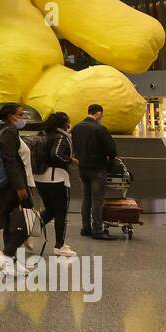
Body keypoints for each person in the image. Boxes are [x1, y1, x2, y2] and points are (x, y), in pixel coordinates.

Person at [0, 102, 35, 274]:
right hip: (12, 187)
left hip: (12, 185)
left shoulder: (10, 132)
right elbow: (10, 162)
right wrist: (20, 187)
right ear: (11, 117)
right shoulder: (9, 133)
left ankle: (11, 262)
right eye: (20, 114)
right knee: (28, 221)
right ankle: (6, 254)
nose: (24, 118)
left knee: (11, 223)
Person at [71, 103, 118, 241]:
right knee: (97, 200)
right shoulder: (100, 128)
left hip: (82, 167)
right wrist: (111, 158)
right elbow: (111, 149)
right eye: (101, 114)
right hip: (97, 168)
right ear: (98, 113)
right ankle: (97, 230)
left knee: (86, 198)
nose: (102, 117)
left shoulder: (76, 128)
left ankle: (86, 228)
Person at [34, 112, 78, 257]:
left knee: (51, 210)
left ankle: (27, 231)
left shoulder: (42, 134)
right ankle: (59, 245)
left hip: (40, 177)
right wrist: (70, 160)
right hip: (57, 178)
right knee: (61, 212)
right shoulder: (61, 137)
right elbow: (56, 155)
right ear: (64, 123)